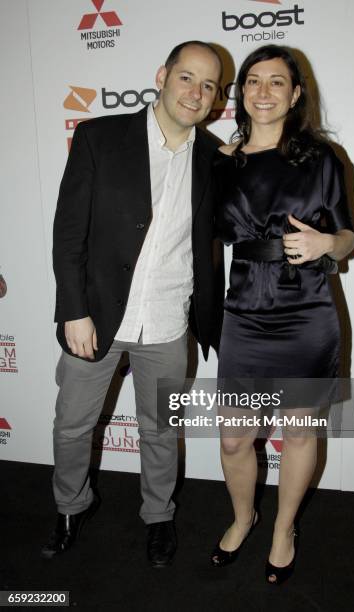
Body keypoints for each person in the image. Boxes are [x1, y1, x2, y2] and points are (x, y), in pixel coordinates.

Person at [42, 40, 223, 568]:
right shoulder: (100, 136)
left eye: (209, 85)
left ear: (216, 99)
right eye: (187, 77)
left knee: (161, 429)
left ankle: (159, 516)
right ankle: (70, 508)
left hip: (168, 321)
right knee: (72, 424)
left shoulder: (214, 159)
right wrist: (73, 309)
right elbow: (68, 232)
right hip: (95, 317)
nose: (196, 92)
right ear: (163, 75)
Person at [211, 44, 354, 584]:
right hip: (243, 310)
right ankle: (244, 516)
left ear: (295, 94)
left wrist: (326, 244)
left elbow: (349, 237)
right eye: (253, 81)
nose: (263, 91)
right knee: (232, 437)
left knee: (298, 435)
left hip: (306, 311)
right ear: (240, 93)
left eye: (277, 82)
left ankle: (283, 528)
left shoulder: (321, 159)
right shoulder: (220, 163)